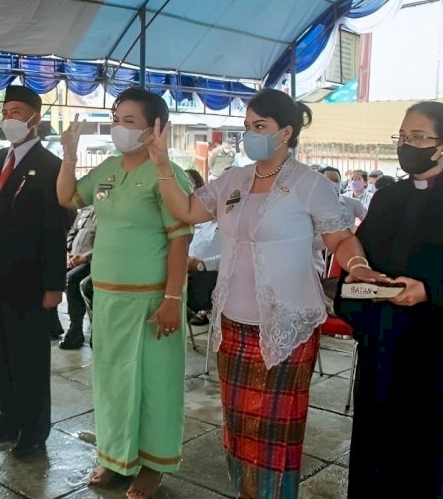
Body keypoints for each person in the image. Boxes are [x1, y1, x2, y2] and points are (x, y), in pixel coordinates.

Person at [145, 88, 385, 499]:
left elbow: (340, 238)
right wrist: (163, 163)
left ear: (286, 132)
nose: (250, 136)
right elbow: (185, 210)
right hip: (232, 328)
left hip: (285, 329)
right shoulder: (233, 180)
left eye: (260, 127)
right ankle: (247, 493)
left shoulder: (310, 185)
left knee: (275, 434)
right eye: (246, 128)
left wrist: (358, 265)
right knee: (239, 428)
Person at [57, 87, 193, 499]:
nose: (119, 127)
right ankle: (116, 458)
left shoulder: (168, 173)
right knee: (112, 382)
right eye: (117, 119)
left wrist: (172, 300)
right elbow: (67, 196)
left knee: (155, 385)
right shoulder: (110, 168)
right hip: (109, 297)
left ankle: (153, 466)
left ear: (157, 128)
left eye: (129, 121)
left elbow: (180, 238)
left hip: (153, 301)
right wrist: (69, 154)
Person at [336, 101, 443, 498]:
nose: (407, 145)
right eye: (402, 137)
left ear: (442, 146)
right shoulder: (388, 197)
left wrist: (429, 291)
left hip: (432, 346)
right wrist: (361, 276)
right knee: (374, 440)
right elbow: (364, 256)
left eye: (418, 137)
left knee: (424, 447)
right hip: (382, 338)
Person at [0, 86, 69, 458]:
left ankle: (34, 428)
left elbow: (56, 228)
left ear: (35, 118)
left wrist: (54, 284)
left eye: (17, 112)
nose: (9, 118)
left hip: (29, 279)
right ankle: (7, 417)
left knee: (29, 357)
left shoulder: (51, 166)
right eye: (6, 111)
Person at [183, 170, 221, 327]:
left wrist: (201, 264)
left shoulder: (231, 228)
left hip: (207, 281)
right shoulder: (200, 222)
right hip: (186, 273)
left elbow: (234, 259)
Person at [59, 205, 97, 350]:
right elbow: (72, 233)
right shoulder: (85, 210)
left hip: (93, 262)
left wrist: (84, 257)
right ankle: (51, 325)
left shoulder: (108, 212)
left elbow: (106, 242)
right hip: (73, 259)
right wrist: (68, 252)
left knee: (72, 279)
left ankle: (76, 329)